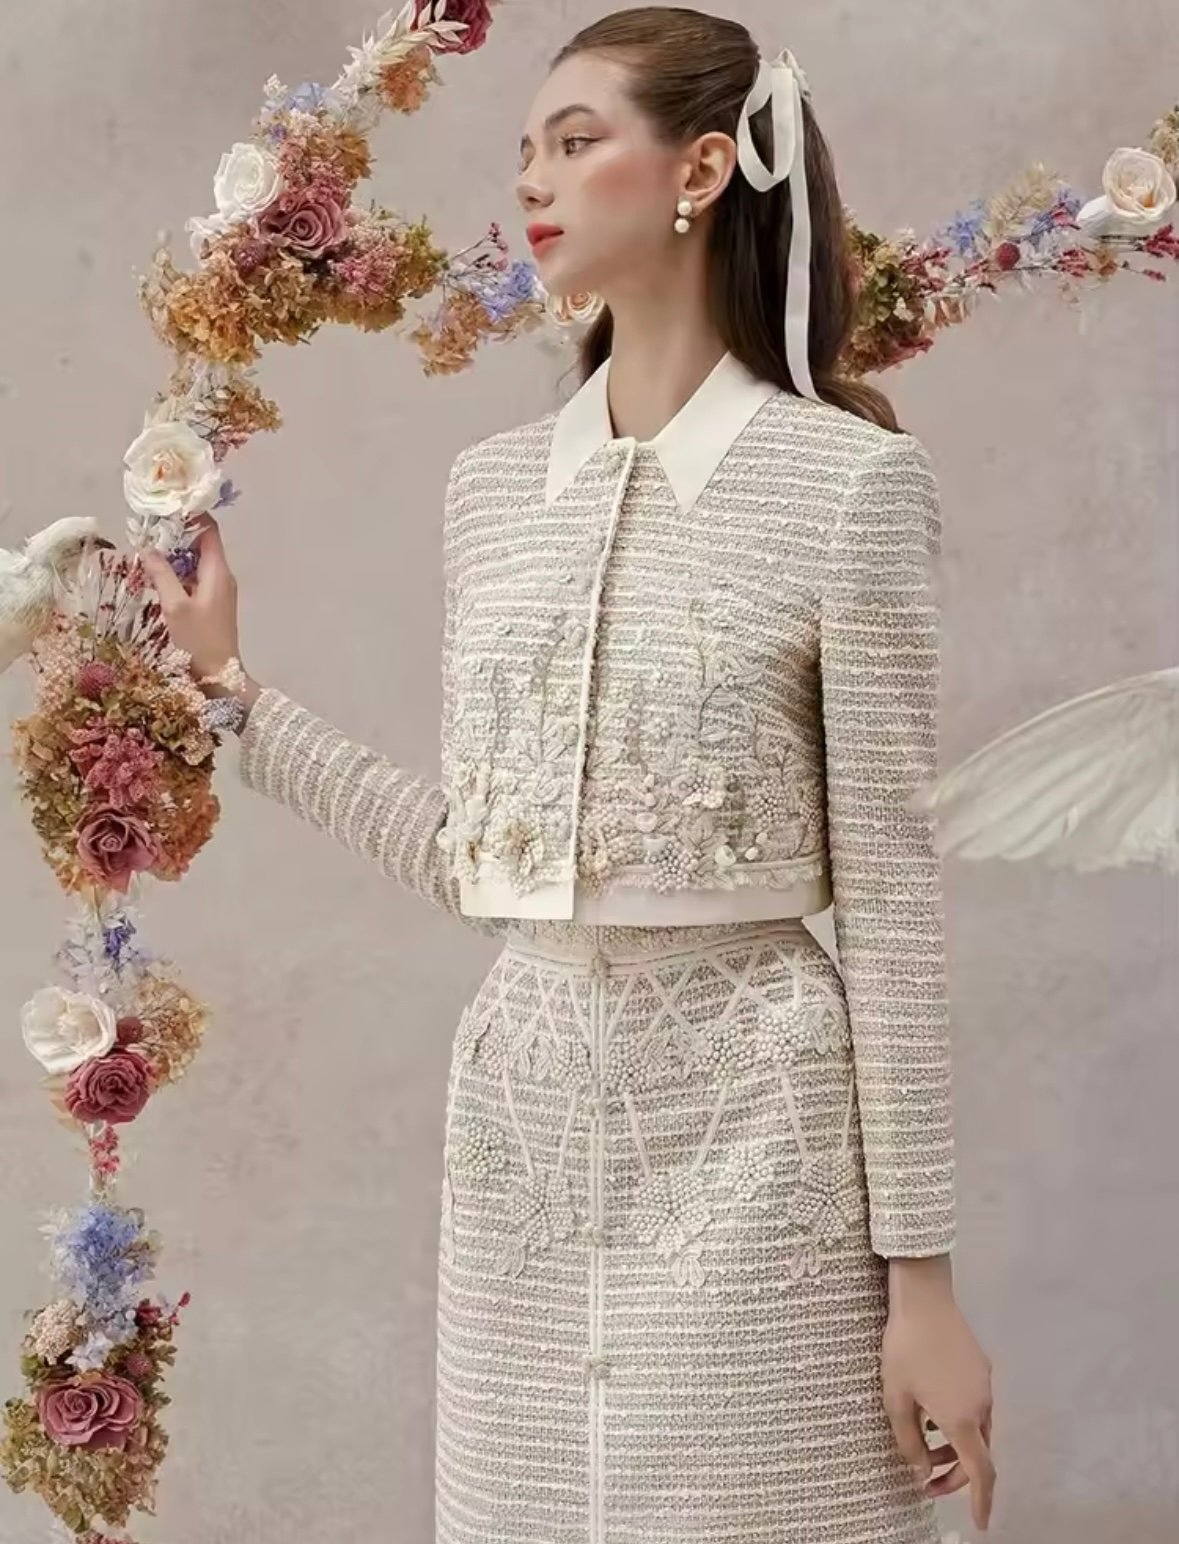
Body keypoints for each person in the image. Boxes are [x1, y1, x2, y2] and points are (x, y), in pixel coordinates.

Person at [141, 7, 996, 1540]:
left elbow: (895, 904)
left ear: (703, 172)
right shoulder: (490, 495)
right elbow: (482, 861)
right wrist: (235, 700)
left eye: (575, 140)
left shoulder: (852, 488)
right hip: (522, 1131)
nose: (531, 179)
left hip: (765, 1142)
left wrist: (921, 1282)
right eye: (524, 149)